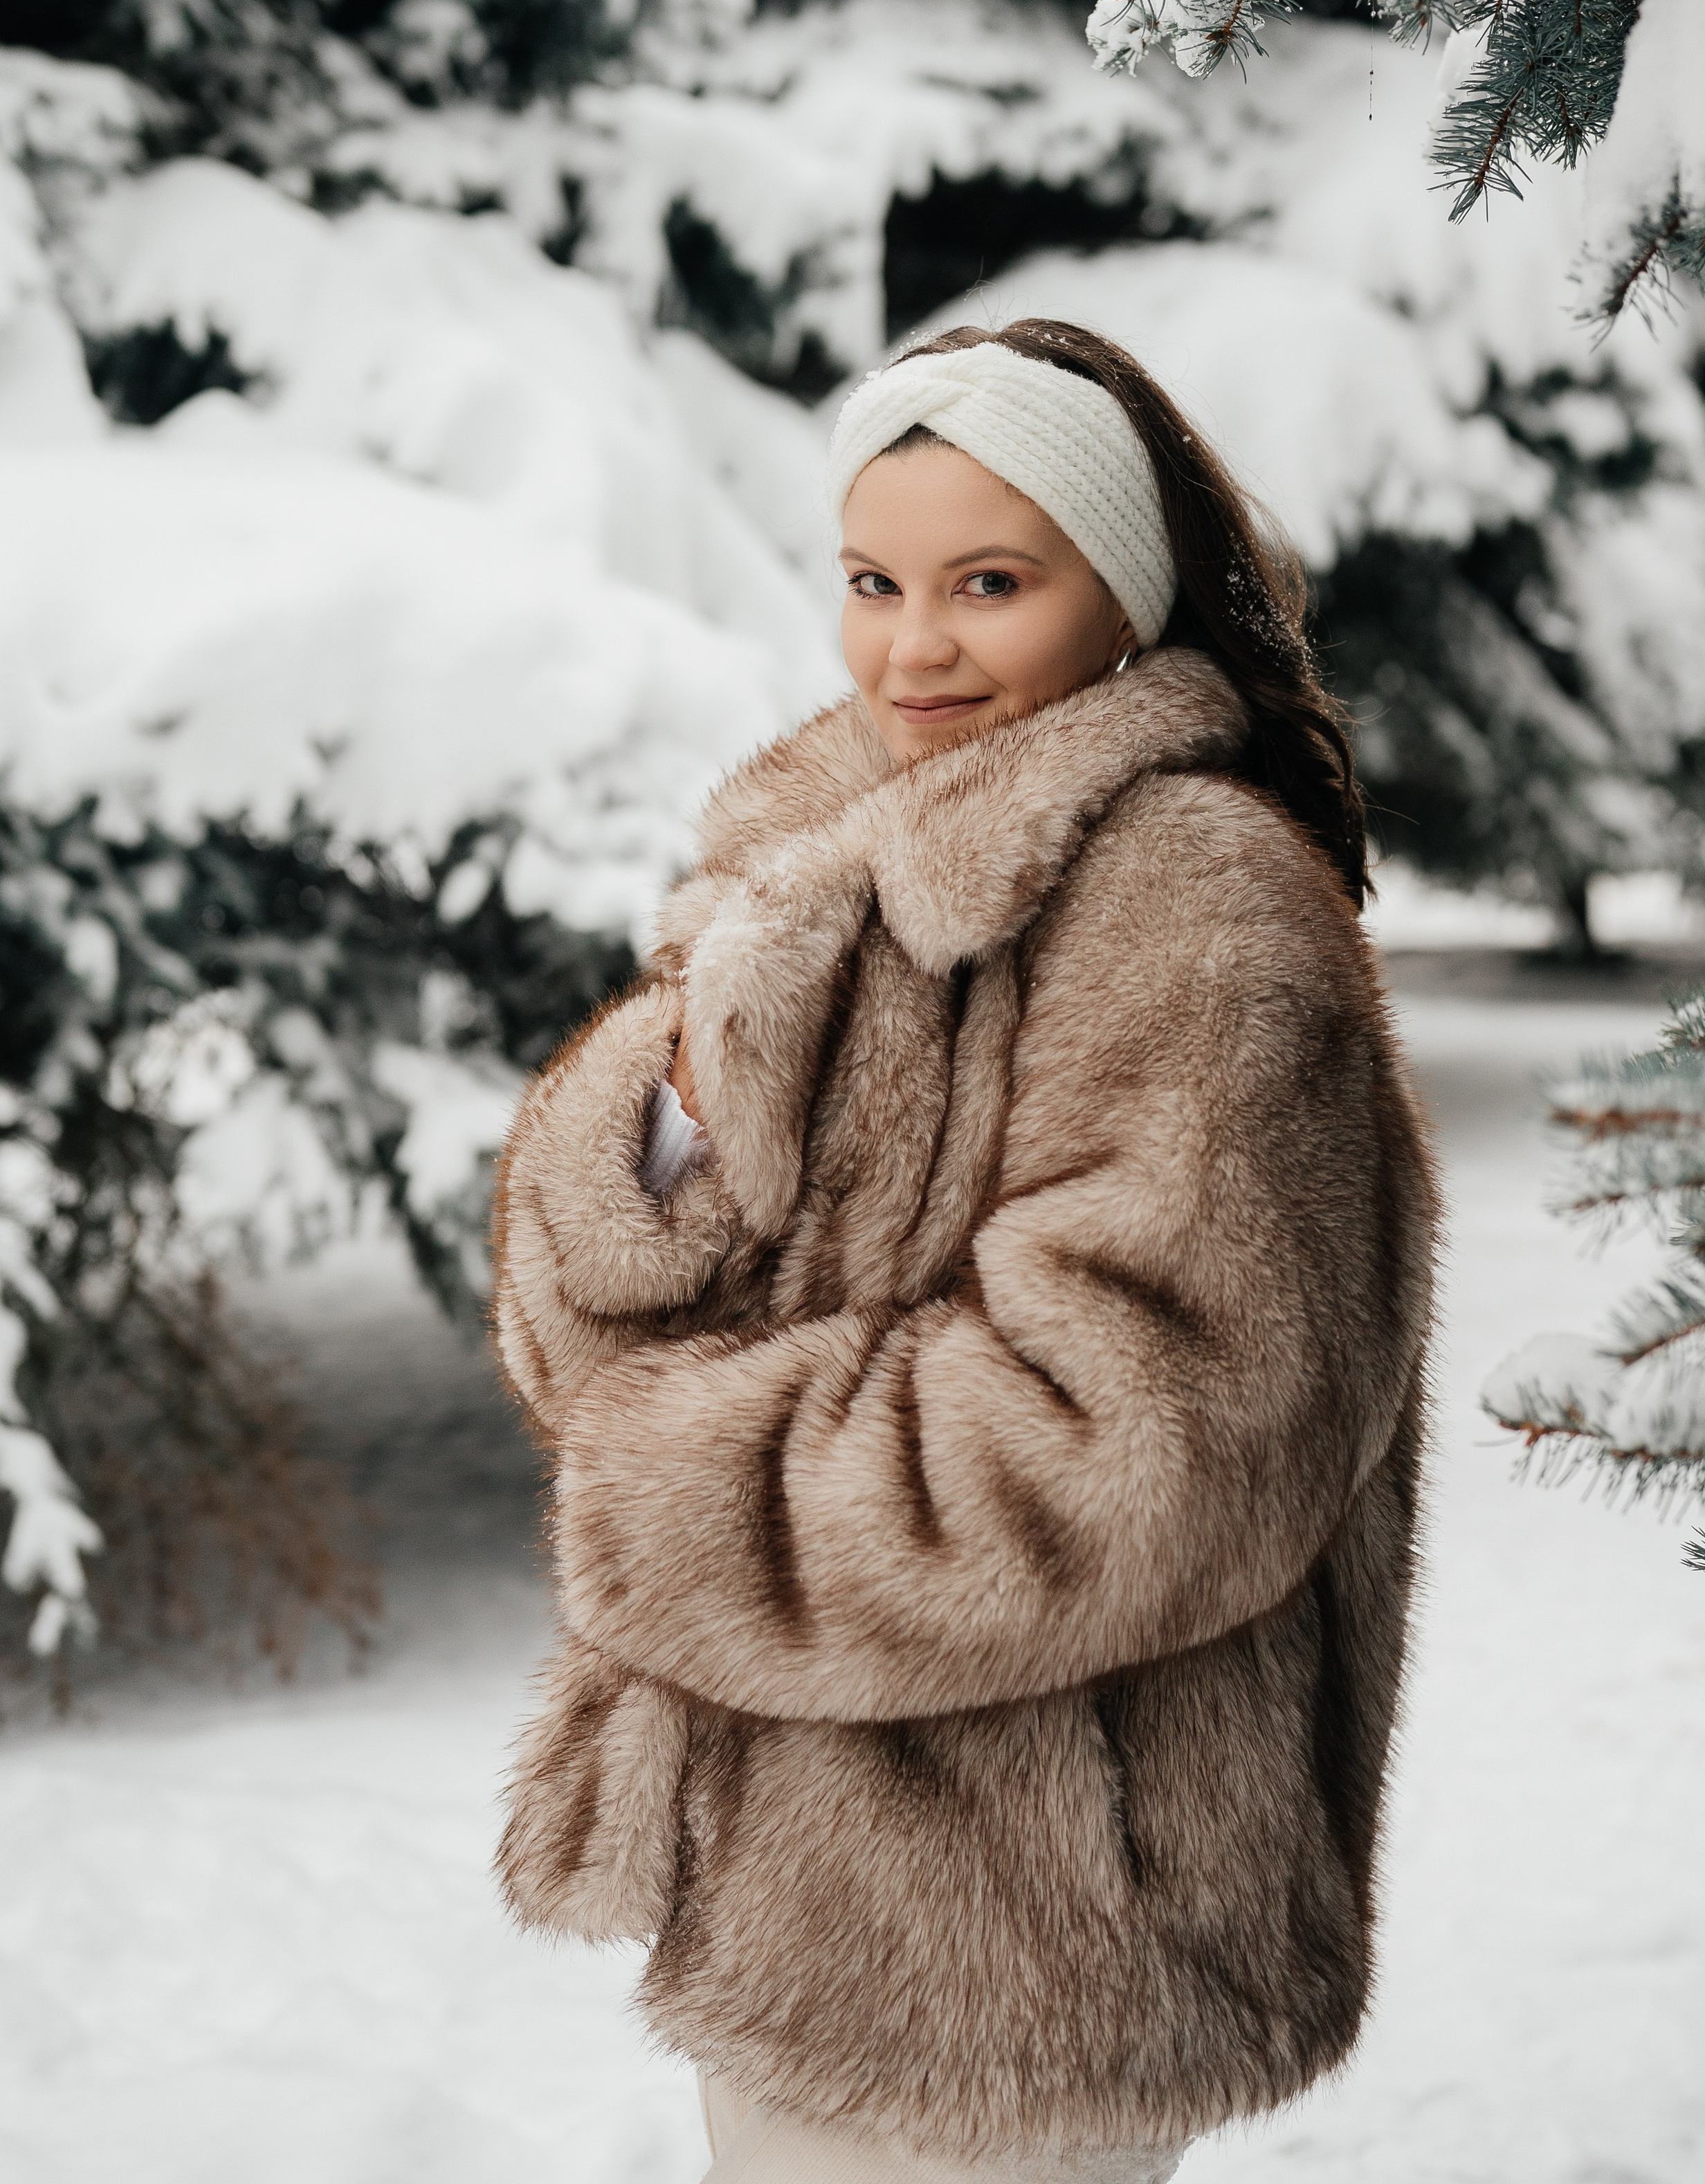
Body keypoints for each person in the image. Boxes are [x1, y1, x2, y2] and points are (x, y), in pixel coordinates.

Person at [491, 319, 1438, 2183]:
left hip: (1037, 1917)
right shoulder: (814, 884)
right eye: (874, 583)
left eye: (989, 585)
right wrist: (665, 1117)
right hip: (805, 1879)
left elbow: (1147, 1441)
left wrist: (682, 1496)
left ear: (1124, 597)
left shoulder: (1197, 908)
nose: (912, 647)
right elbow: (576, 1334)